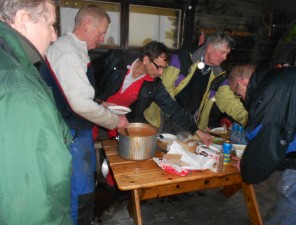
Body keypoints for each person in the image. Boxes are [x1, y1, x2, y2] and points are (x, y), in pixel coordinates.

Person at [39, 5, 128, 225]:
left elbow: (70, 93)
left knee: (77, 190)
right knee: (80, 193)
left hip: (75, 131)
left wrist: (100, 103)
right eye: (101, 31)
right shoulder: (68, 51)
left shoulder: (75, 49)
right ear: (86, 24)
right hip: (71, 134)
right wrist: (116, 119)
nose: (102, 37)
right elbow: (79, 104)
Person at [0, 0, 73, 224]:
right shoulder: (18, 87)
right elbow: (28, 205)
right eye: (50, 24)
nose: (53, 36)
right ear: (23, 20)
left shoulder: (14, 62)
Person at [94, 41, 213, 145]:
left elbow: (173, 108)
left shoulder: (153, 83)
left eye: (164, 68)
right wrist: (99, 102)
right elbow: (84, 81)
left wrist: (197, 131)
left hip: (121, 119)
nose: (161, 73)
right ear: (146, 60)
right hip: (92, 111)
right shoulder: (114, 60)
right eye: (159, 67)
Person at [228, 64, 296, 225]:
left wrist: (247, 167)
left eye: (238, 93)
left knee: (291, 207)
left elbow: (266, 142)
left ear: (242, 82)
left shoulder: (270, 91)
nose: (241, 98)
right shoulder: (278, 78)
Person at [144, 31, 248, 133]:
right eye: (223, 52)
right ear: (210, 47)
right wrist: (181, 120)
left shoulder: (219, 74)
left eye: (227, 54)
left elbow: (230, 101)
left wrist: (248, 120)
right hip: (163, 117)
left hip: (190, 123)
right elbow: (166, 92)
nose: (225, 58)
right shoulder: (181, 58)